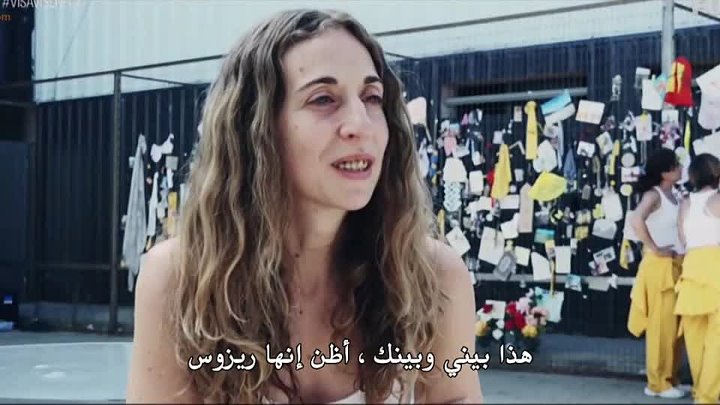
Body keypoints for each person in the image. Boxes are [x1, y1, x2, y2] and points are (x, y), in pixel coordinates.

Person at [125, 8, 483, 404]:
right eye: (324, 99)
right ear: (257, 129)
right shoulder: (179, 282)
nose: (361, 124)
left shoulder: (434, 278)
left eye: (372, 97)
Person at [627, 148, 686, 399]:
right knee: (661, 327)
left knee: (675, 327)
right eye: (676, 165)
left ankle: (670, 378)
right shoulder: (654, 195)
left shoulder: (676, 195)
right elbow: (636, 219)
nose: (680, 168)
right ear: (665, 172)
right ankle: (657, 383)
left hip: (676, 263)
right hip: (659, 265)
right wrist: (654, 247)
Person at [676, 153, 720, 404]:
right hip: (715, 268)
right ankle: (707, 396)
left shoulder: (685, 204)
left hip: (691, 269)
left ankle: (701, 391)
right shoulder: (717, 200)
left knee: (695, 339)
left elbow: (683, 239)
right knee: (717, 340)